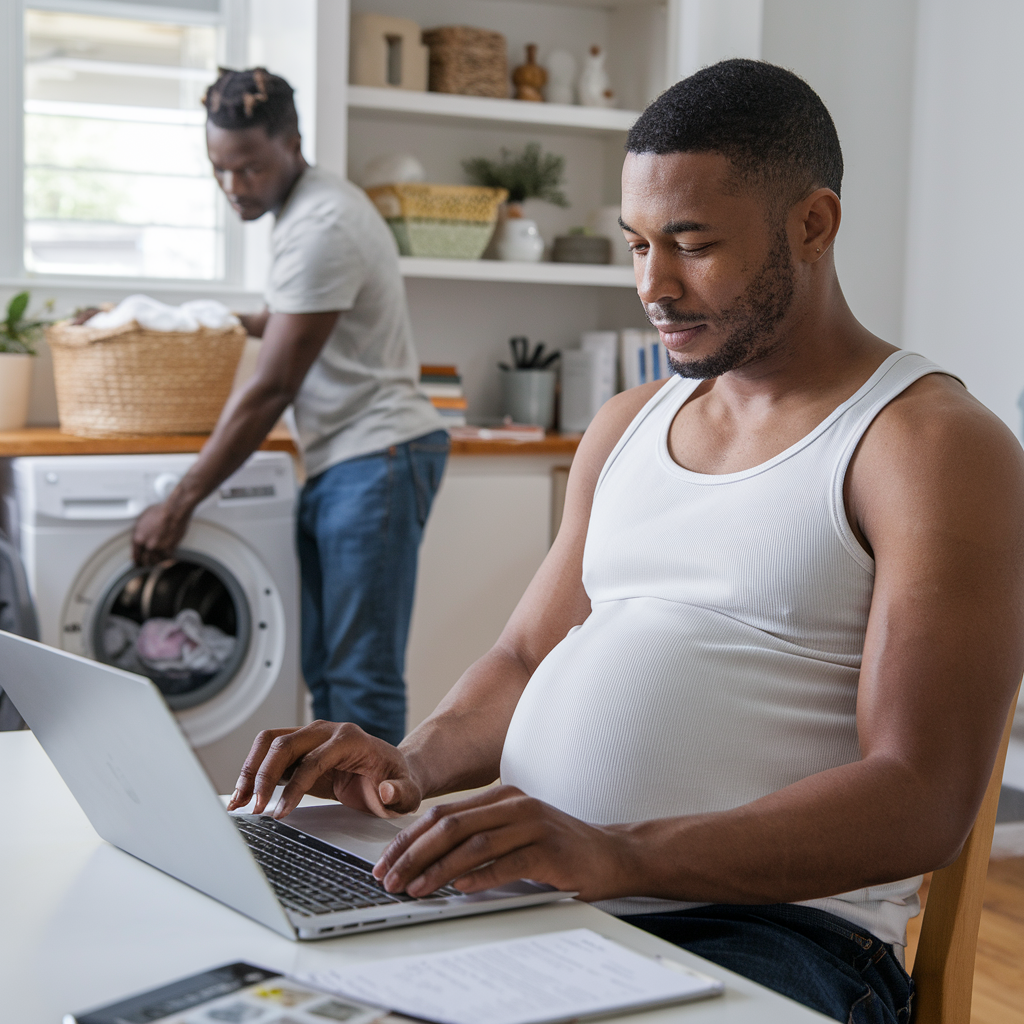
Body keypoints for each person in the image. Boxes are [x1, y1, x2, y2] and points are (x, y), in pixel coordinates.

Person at [226, 60, 1024, 1023]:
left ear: (813, 225)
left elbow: (921, 795)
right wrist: (412, 765)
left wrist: (622, 853)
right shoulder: (630, 422)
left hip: (773, 934)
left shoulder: (923, 444)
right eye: (638, 243)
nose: (655, 285)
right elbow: (525, 655)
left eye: (692, 244)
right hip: (539, 904)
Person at [131, 68, 448, 746]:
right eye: (220, 170)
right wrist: (170, 319)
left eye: (247, 169)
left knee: (360, 677)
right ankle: (329, 839)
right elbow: (279, 319)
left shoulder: (322, 226)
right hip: (346, 456)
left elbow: (271, 386)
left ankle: (372, 849)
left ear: (293, 142)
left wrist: (180, 502)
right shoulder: (302, 209)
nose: (233, 187)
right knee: (328, 673)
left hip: (379, 453)